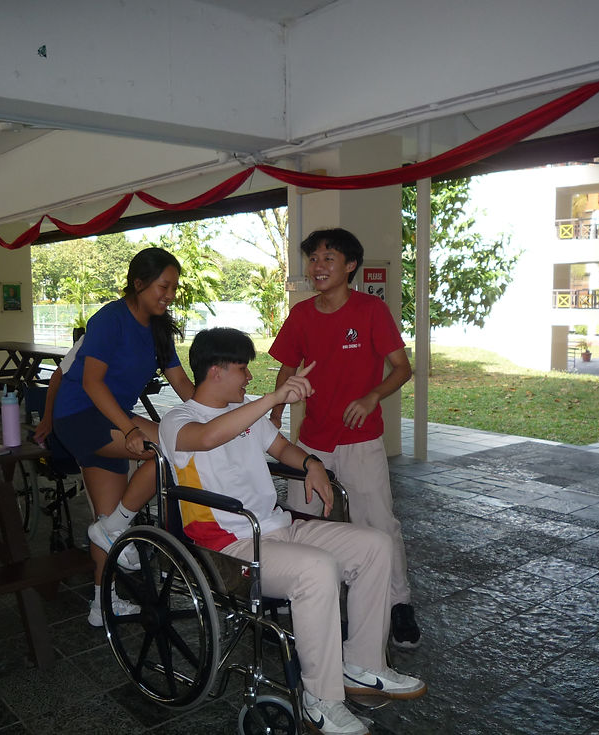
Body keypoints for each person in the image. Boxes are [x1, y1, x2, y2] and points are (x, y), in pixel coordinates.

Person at [159, 328, 426, 735]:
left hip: (278, 528)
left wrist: (311, 465)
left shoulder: (246, 409)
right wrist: (274, 398)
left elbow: (282, 448)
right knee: (316, 570)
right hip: (231, 544)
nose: (248, 377)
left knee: (375, 544)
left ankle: (362, 665)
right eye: (243, 368)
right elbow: (211, 437)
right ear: (215, 371)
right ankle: (320, 698)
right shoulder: (179, 420)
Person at [268, 228, 421, 650]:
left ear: (350, 265)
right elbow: (286, 367)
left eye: (328, 259)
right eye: (313, 259)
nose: (318, 267)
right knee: (302, 522)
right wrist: (276, 413)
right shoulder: (301, 315)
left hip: (360, 439)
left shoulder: (371, 310)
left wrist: (373, 396)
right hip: (311, 443)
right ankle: (294, 599)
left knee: (378, 523)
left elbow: (401, 368)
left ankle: (397, 603)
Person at [51, 247, 194, 627]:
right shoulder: (110, 319)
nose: (169, 294)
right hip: (81, 414)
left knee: (107, 518)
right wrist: (130, 429)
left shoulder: (160, 329)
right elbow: (91, 382)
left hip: (109, 415)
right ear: (139, 283)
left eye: (174, 288)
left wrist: (212, 418)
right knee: (170, 448)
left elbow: (181, 383)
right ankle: (118, 526)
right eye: (163, 286)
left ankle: (102, 603)